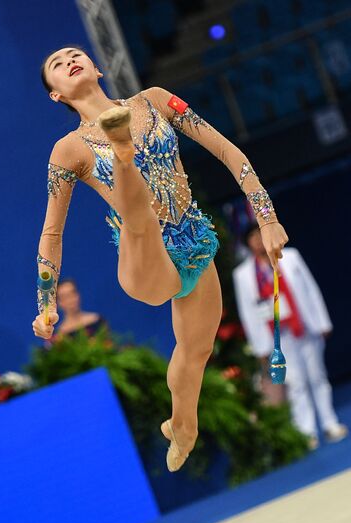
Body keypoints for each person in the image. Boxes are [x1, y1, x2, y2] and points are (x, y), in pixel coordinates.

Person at [32, 45, 288, 471]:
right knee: (141, 220)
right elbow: (51, 232)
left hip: (193, 248)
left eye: (75, 55)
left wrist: (268, 219)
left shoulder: (154, 100)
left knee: (195, 349)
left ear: (96, 67)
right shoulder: (68, 150)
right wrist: (45, 304)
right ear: (55, 95)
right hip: (144, 261)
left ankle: (183, 427)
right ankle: (123, 153)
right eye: (57, 64)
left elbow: (228, 152)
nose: (69, 61)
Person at [233, 224, 348, 449]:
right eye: (252, 238)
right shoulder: (244, 275)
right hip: (278, 338)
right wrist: (260, 348)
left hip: (304, 327)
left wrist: (322, 321)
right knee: (295, 383)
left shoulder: (291, 257)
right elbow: (248, 312)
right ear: (247, 243)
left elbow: (310, 289)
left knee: (317, 376)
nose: (257, 240)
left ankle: (330, 423)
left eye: (259, 234)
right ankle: (307, 432)